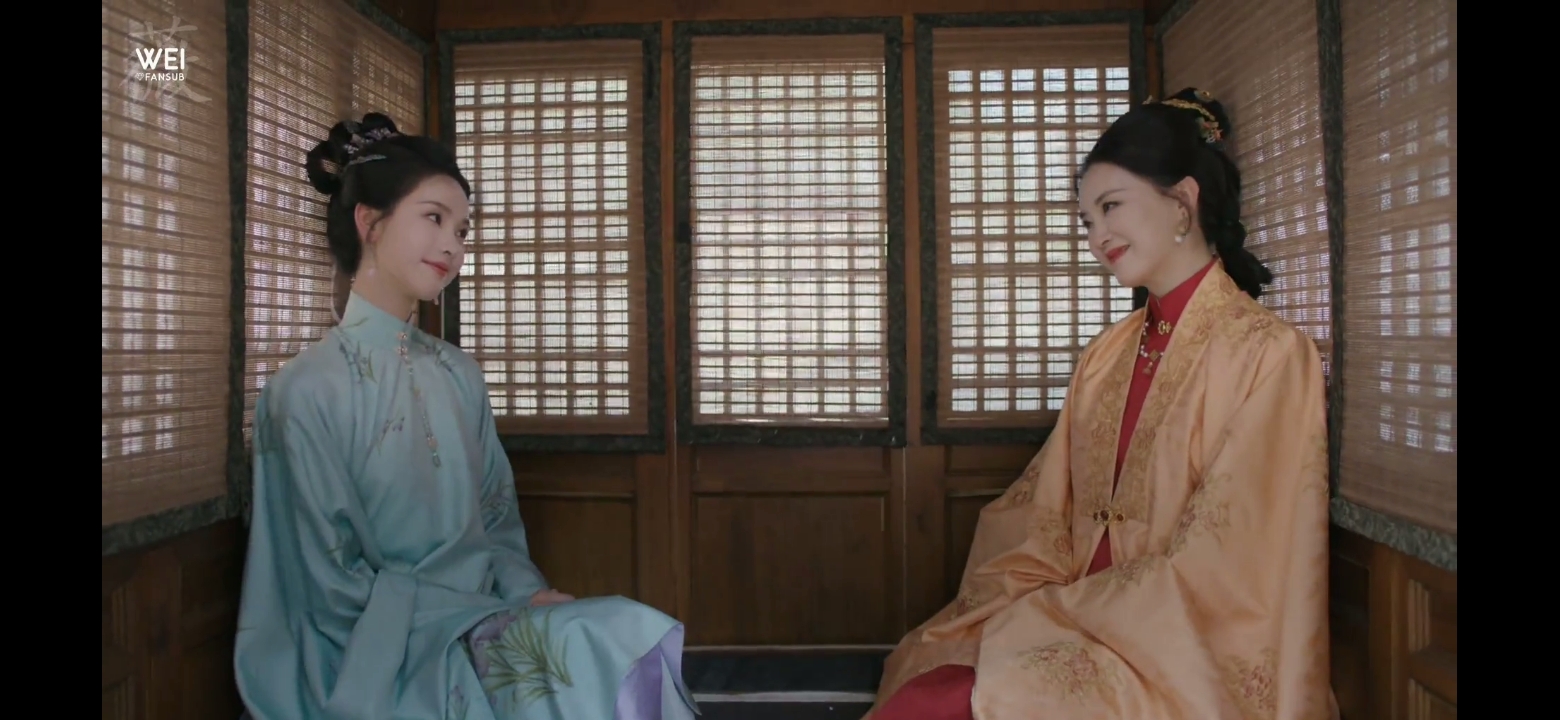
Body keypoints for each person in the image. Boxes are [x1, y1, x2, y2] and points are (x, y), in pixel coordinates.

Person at [864, 88, 1336, 720]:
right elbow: (1042, 510)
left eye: (1111, 206)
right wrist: (1034, 604)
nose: (1097, 236)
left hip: (1178, 650)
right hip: (1074, 612)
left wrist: (1062, 613)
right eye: (1087, 221)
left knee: (949, 700)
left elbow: (1234, 563)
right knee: (925, 665)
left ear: (1183, 200)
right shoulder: (1108, 354)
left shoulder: (1269, 354)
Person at [233, 113, 699, 720]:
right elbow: (323, 582)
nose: (453, 245)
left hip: (484, 620)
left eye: (462, 229)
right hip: (374, 649)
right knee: (600, 642)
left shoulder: (459, 374)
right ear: (369, 222)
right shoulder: (303, 392)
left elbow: (495, 522)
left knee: (619, 632)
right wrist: (466, 616)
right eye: (433, 218)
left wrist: (527, 594)